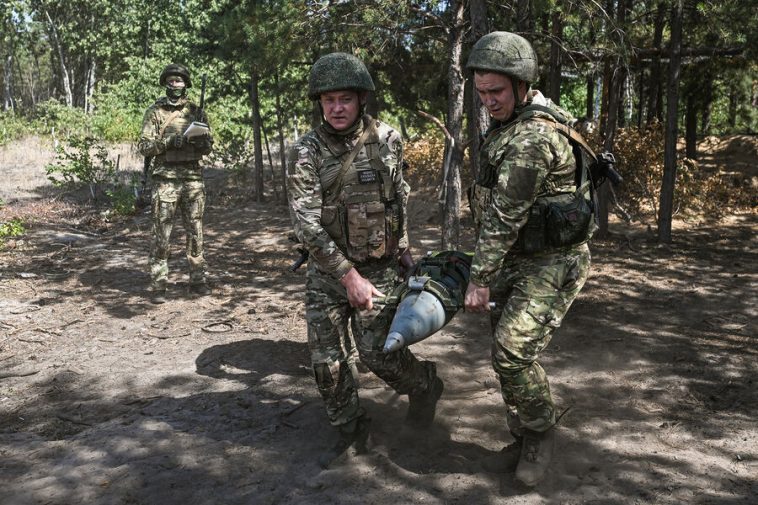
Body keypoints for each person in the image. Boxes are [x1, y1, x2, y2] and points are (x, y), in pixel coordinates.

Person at [286, 52, 444, 468]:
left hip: (381, 269)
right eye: (328, 100)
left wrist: (405, 249)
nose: (336, 108)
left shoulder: (388, 140)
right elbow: (306, 224)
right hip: (328, 274)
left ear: (361, 100)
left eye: (345, 99)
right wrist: (347, 276)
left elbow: (397, 200)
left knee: (379, 356)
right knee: (328, 363)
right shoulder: (307, 151)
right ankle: (351, 428)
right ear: (319, 103)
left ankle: (425, 384)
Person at [464, 32, 593, 486]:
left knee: (511, 354)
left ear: (521, 85)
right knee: (504, 354)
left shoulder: (533, 136)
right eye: (481, 92)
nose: (488, 101)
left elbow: (505, 214)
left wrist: (479, 278)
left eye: (495, 91)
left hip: (551, 261)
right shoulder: (511, 123)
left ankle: (540, 433)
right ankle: (520, 435)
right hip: (516, 257)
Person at [138, 63, 213, 304]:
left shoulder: (196, 112)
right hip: (165, 180)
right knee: (162, 233)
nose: (175, 85)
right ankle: (159, 284)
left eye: (179, 81)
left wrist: (199, 140)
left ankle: (198, 280)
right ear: (165, 83)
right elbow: (144, 147)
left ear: (186, 83)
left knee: (196, 232)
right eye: (171, 81)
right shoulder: (155, 112)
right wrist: (169, 141)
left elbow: (208, 147)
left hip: (192, 179)